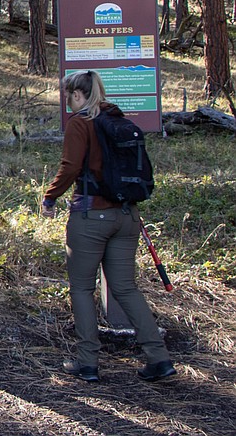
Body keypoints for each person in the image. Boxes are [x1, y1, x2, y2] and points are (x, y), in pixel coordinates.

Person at [41, 69, 176, 383]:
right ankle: (158, 357)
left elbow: (71, 167)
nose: (67, 102)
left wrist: (49, 197)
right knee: (126, 288)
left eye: (68, 96)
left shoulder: (81, 123)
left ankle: (88, 362)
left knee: (82, 289)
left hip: (91, 218)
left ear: (77, 94)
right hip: (127, 216)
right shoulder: (118, 120)